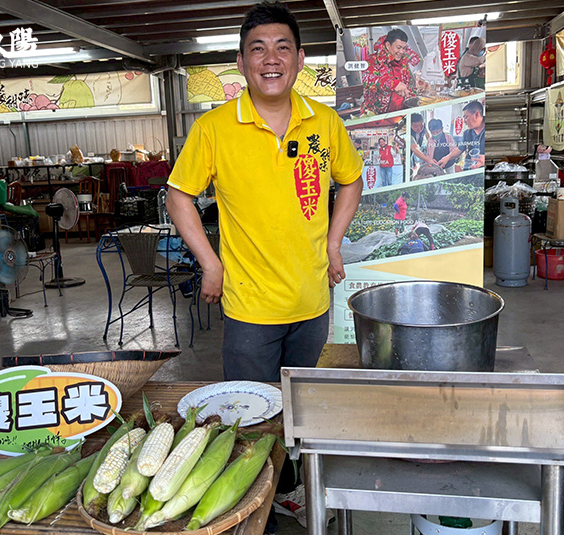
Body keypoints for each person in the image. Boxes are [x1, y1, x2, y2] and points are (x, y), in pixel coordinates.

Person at [166, 0, 363, 403]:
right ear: (241, 62)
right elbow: (178, 195)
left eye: (282, 47)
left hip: (312, 302)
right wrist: (210, 263)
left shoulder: (324, 122)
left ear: (300, 58)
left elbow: (352, 180)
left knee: (301, 405)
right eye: (258, 48)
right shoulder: (213, 128)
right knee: (251, 411)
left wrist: (333, 243)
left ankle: (295, 468)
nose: (270, 59)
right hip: (248, 309)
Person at [362, 28, 422, 115]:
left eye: (404, 48)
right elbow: (368, 80)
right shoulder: (371, 60)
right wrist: (393, 84)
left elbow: (407, 84)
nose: (401, 52)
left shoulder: (403, 62)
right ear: (388, 45)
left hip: (399, 115)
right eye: (398, 47)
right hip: (376, 116)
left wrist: (417, 96)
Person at [437, 100, 485, 170]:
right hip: (470, 169)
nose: (464, 121)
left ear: (477, 115)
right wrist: (447, 157)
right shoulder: (467, 133)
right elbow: (460, 149)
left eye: (466, 117)